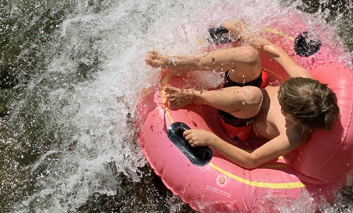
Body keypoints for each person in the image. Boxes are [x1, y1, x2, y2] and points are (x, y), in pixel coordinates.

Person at [144, 20, 339, 170]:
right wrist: (247, 36)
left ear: (293, 116)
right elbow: (279, 55)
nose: (279, 94)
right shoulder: (306, 82)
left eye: (283, 100)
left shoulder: (294, 136)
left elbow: (251, 160)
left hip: (241, 121)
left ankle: (195, 96)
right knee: (249, 55)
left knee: (253, 97)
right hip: (252, 89)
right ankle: (184, 63)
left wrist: (211, 140)